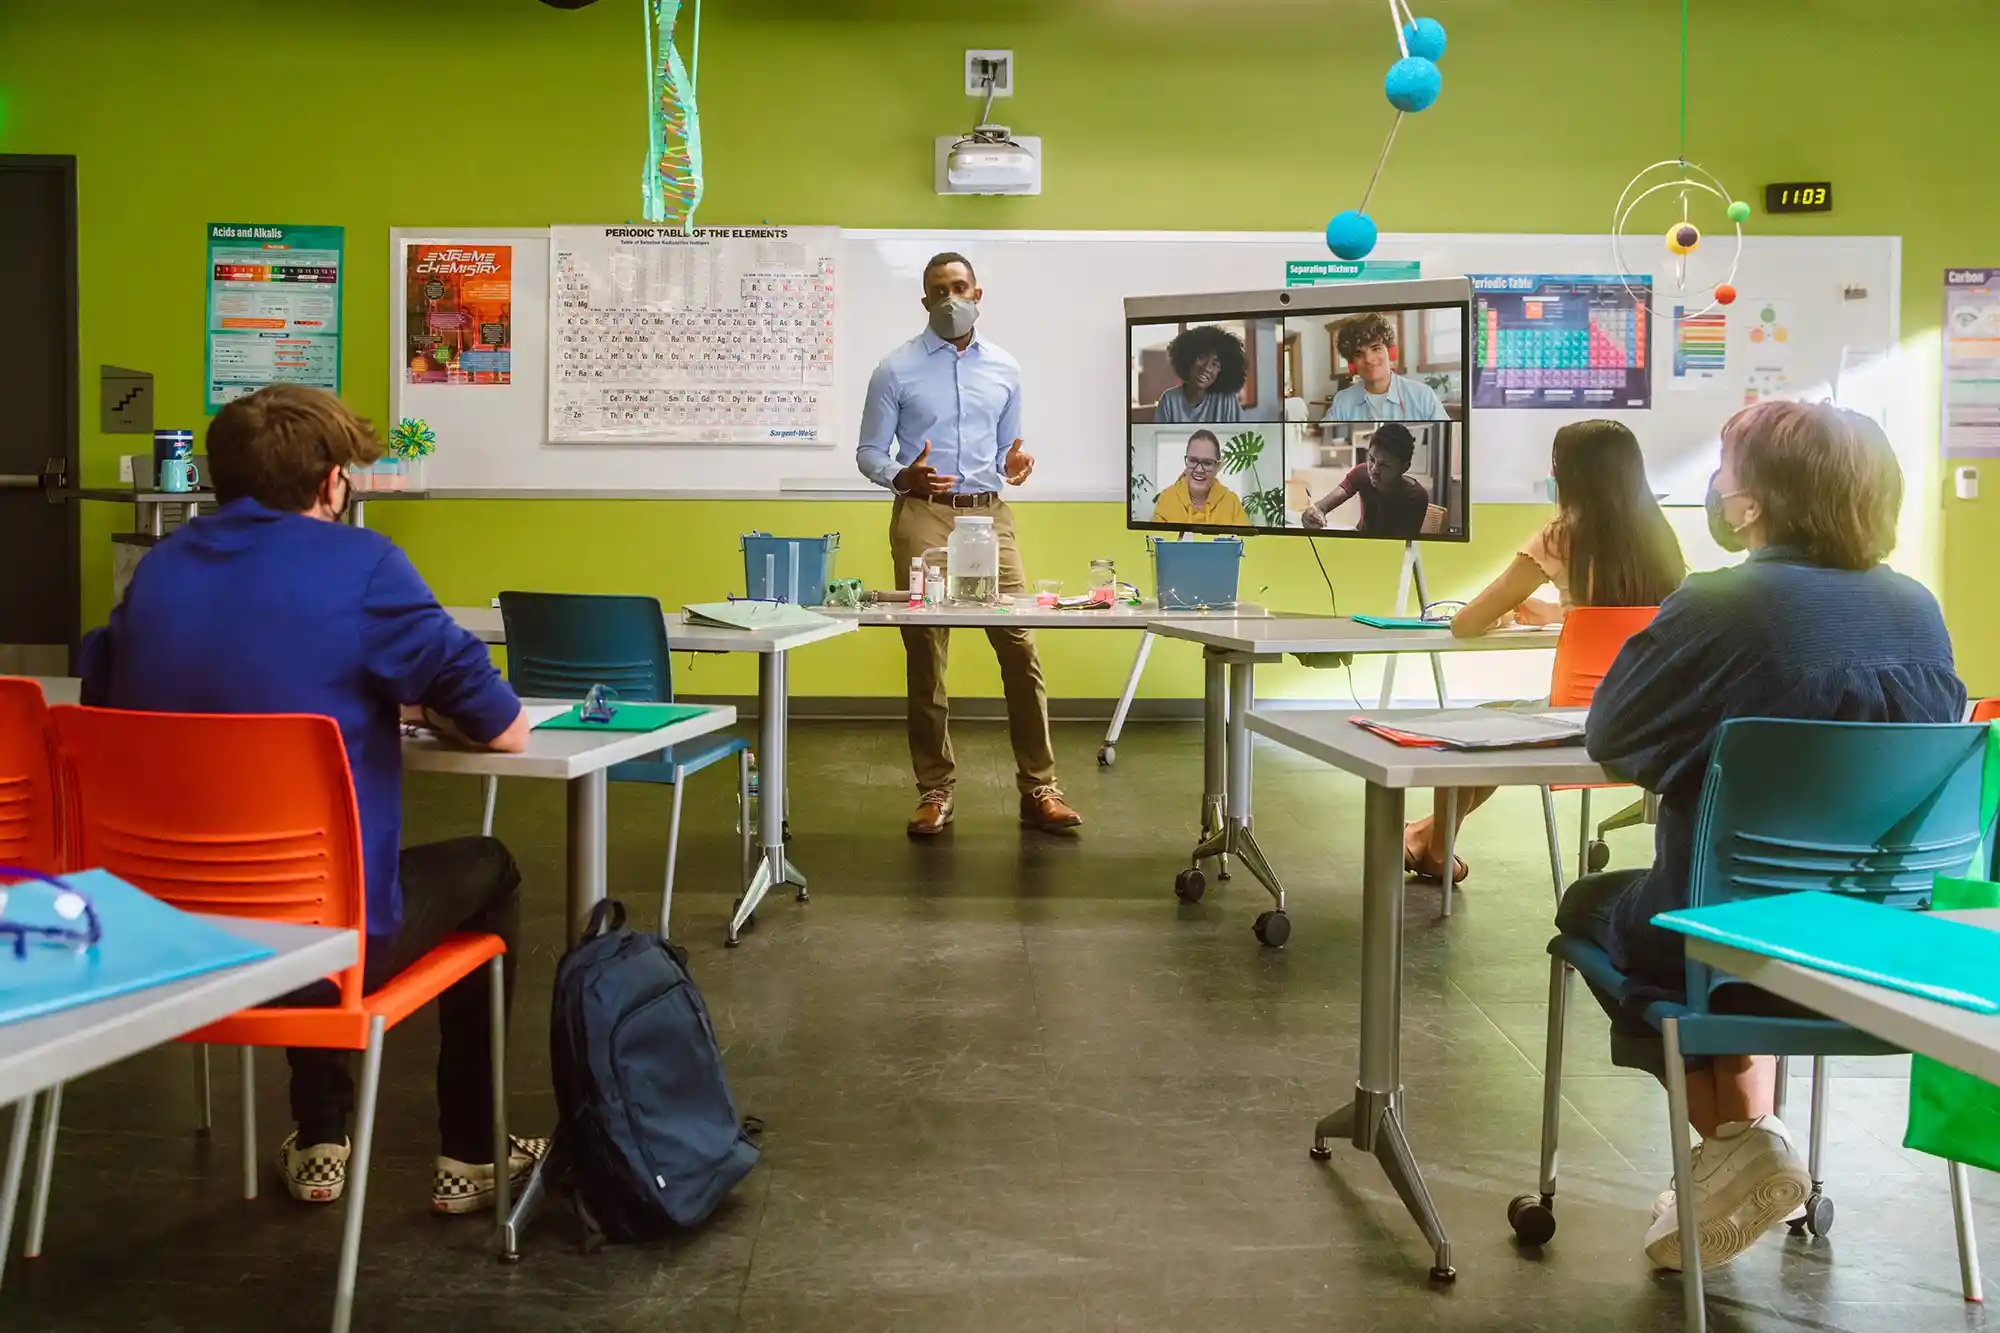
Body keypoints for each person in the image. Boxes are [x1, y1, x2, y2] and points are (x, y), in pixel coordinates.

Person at [78, 385, 546, 1215]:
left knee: (284, 852)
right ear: (333, 482)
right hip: (317, 955)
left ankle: (322, 1136)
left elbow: (108, 699)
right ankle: (472, 1154)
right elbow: (504, 727)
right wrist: (415, 704)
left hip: (167, 941)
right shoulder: (364, 566)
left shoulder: (157, 570)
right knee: (484, 868)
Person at [1559, 400, 1963, 1271]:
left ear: (1753, 502)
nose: (1716, 485)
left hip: (1730, 937)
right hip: (1878, 942)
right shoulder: (1919, 610)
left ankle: (1739, 1144)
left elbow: (1613, 736)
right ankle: (1736, 1151)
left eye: (1727, 470)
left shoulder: (1721, 603)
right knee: (1735, 924)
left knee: (1599, 906)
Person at [855, 251, 1083, 837]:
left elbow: (1009, 451)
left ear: (977, 295)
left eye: (960, 288)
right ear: (925, 300)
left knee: (1020, 646)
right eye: (939, 290)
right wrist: (901, 476)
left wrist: (1016, 463)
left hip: (988, 515)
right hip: (924, 514)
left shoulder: (1005, 367)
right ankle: (935, 789)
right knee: (925, 651)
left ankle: (1040, 788)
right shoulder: (895, 369)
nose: (950, 298)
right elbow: (869, 452)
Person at [1404, 420, 1686, 882]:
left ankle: (1433, 847)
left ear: (1569, 473)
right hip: (1657, 716)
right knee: (1499, 727)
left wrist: (1500, 616)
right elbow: (1641, 617)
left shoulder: (1561, 536)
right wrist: (1560, 612)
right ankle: (1425, 838)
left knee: (1476, 728)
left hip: (1580, 719)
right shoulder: (1660, 538)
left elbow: (1465, 623)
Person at [1299, 422, 1429, 534]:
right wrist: (1312, 514)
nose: (1373, 470)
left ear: (1404, 468)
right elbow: (1321, 507)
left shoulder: (1415, 496)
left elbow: (1403, 545)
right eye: (1371, 459)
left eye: (1384, 465)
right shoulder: (1362, 473)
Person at [1326, 312, 1450, 422]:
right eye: (1358, 353)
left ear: (1391, 352)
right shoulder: (1342, 401)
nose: (1369, 359)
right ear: (1352, 363)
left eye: (1376, 349)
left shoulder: (1423, 395)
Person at [1152, 429, 1250, 527]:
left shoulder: (1232, 502)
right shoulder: (1166, 499)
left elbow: (1245, 536)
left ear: (1217, 467)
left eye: (1207, 463)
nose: (1199, 469)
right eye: (1193, 461)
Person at [1151, 325, 1246, 423]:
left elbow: (1241, 431)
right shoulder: (1169, 400)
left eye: (1215, 364)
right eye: (1201, 358)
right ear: (1189, 359)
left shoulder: (1226, 399)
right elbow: (1159, 433)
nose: (1206, 368)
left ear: (1221, 372)